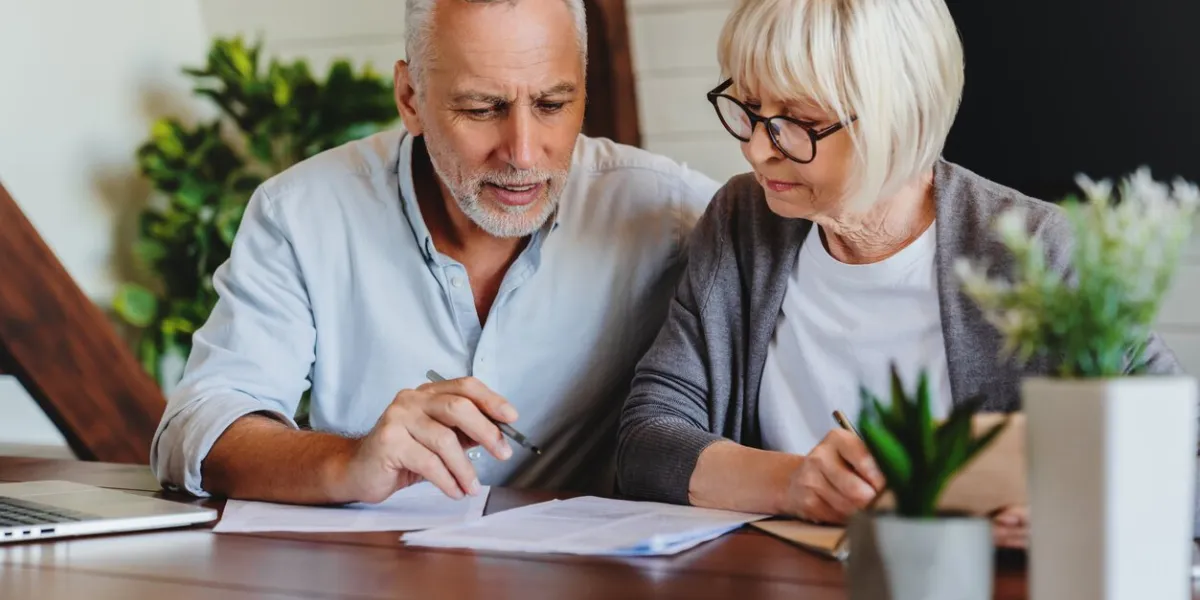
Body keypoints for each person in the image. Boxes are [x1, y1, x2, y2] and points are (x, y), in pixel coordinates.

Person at [614, 0, 1184, 549]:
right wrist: (792, 482)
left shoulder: (1037, 252)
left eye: (800, 123)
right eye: (749, 108)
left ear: (899, 118)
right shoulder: (743, 221)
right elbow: (647, 441)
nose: (759, 151)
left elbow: (1182, 451)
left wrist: (1077, 501)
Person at [150, 0, 719, 505]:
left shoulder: (670, 214)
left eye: (552, 104)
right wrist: (348, 463)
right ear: (410, 98)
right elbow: (197, 427)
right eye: (481, 109)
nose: (522, 153)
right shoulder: (300, 213)